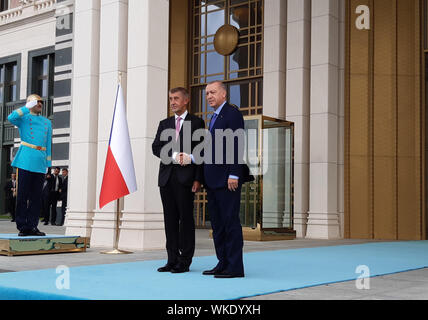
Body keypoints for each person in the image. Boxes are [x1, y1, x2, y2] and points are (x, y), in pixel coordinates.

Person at [152, 87, 205, 273]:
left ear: (186, 100)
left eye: (176, 98)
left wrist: (198, 179)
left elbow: (202, 151)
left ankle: (185, 261)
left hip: (186, 179)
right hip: (166, 179)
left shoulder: (197, 122)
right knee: (170, 220)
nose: (172, 102)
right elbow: (156, 147)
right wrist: (173, 156)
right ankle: (171, 259)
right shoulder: (164, 123)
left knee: (186, 220)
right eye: (170, 98)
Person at [202, 81, 246, 278]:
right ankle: (223, 262)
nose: (209, 96)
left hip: (228, 179)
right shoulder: (214, 116)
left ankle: (235, 267)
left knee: (230, 224)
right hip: (213, 180)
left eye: (213, 92)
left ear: (224, 94)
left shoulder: (232, 113)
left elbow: (238, 143)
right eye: (207, 93)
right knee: (218, 225)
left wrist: (234, 173)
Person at [8, 94, 52, 237]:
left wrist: (48, 164)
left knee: (36, 197)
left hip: (40, 161)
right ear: (30, 104)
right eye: (36, 101)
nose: (40, 104)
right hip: (26, 159)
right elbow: (11, 118)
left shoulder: (47, 122)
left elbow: (48, 144)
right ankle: (22, 226)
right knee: (22, 195)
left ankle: (32, 226)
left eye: (41, 102)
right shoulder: (24, 118)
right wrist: (26, 108)